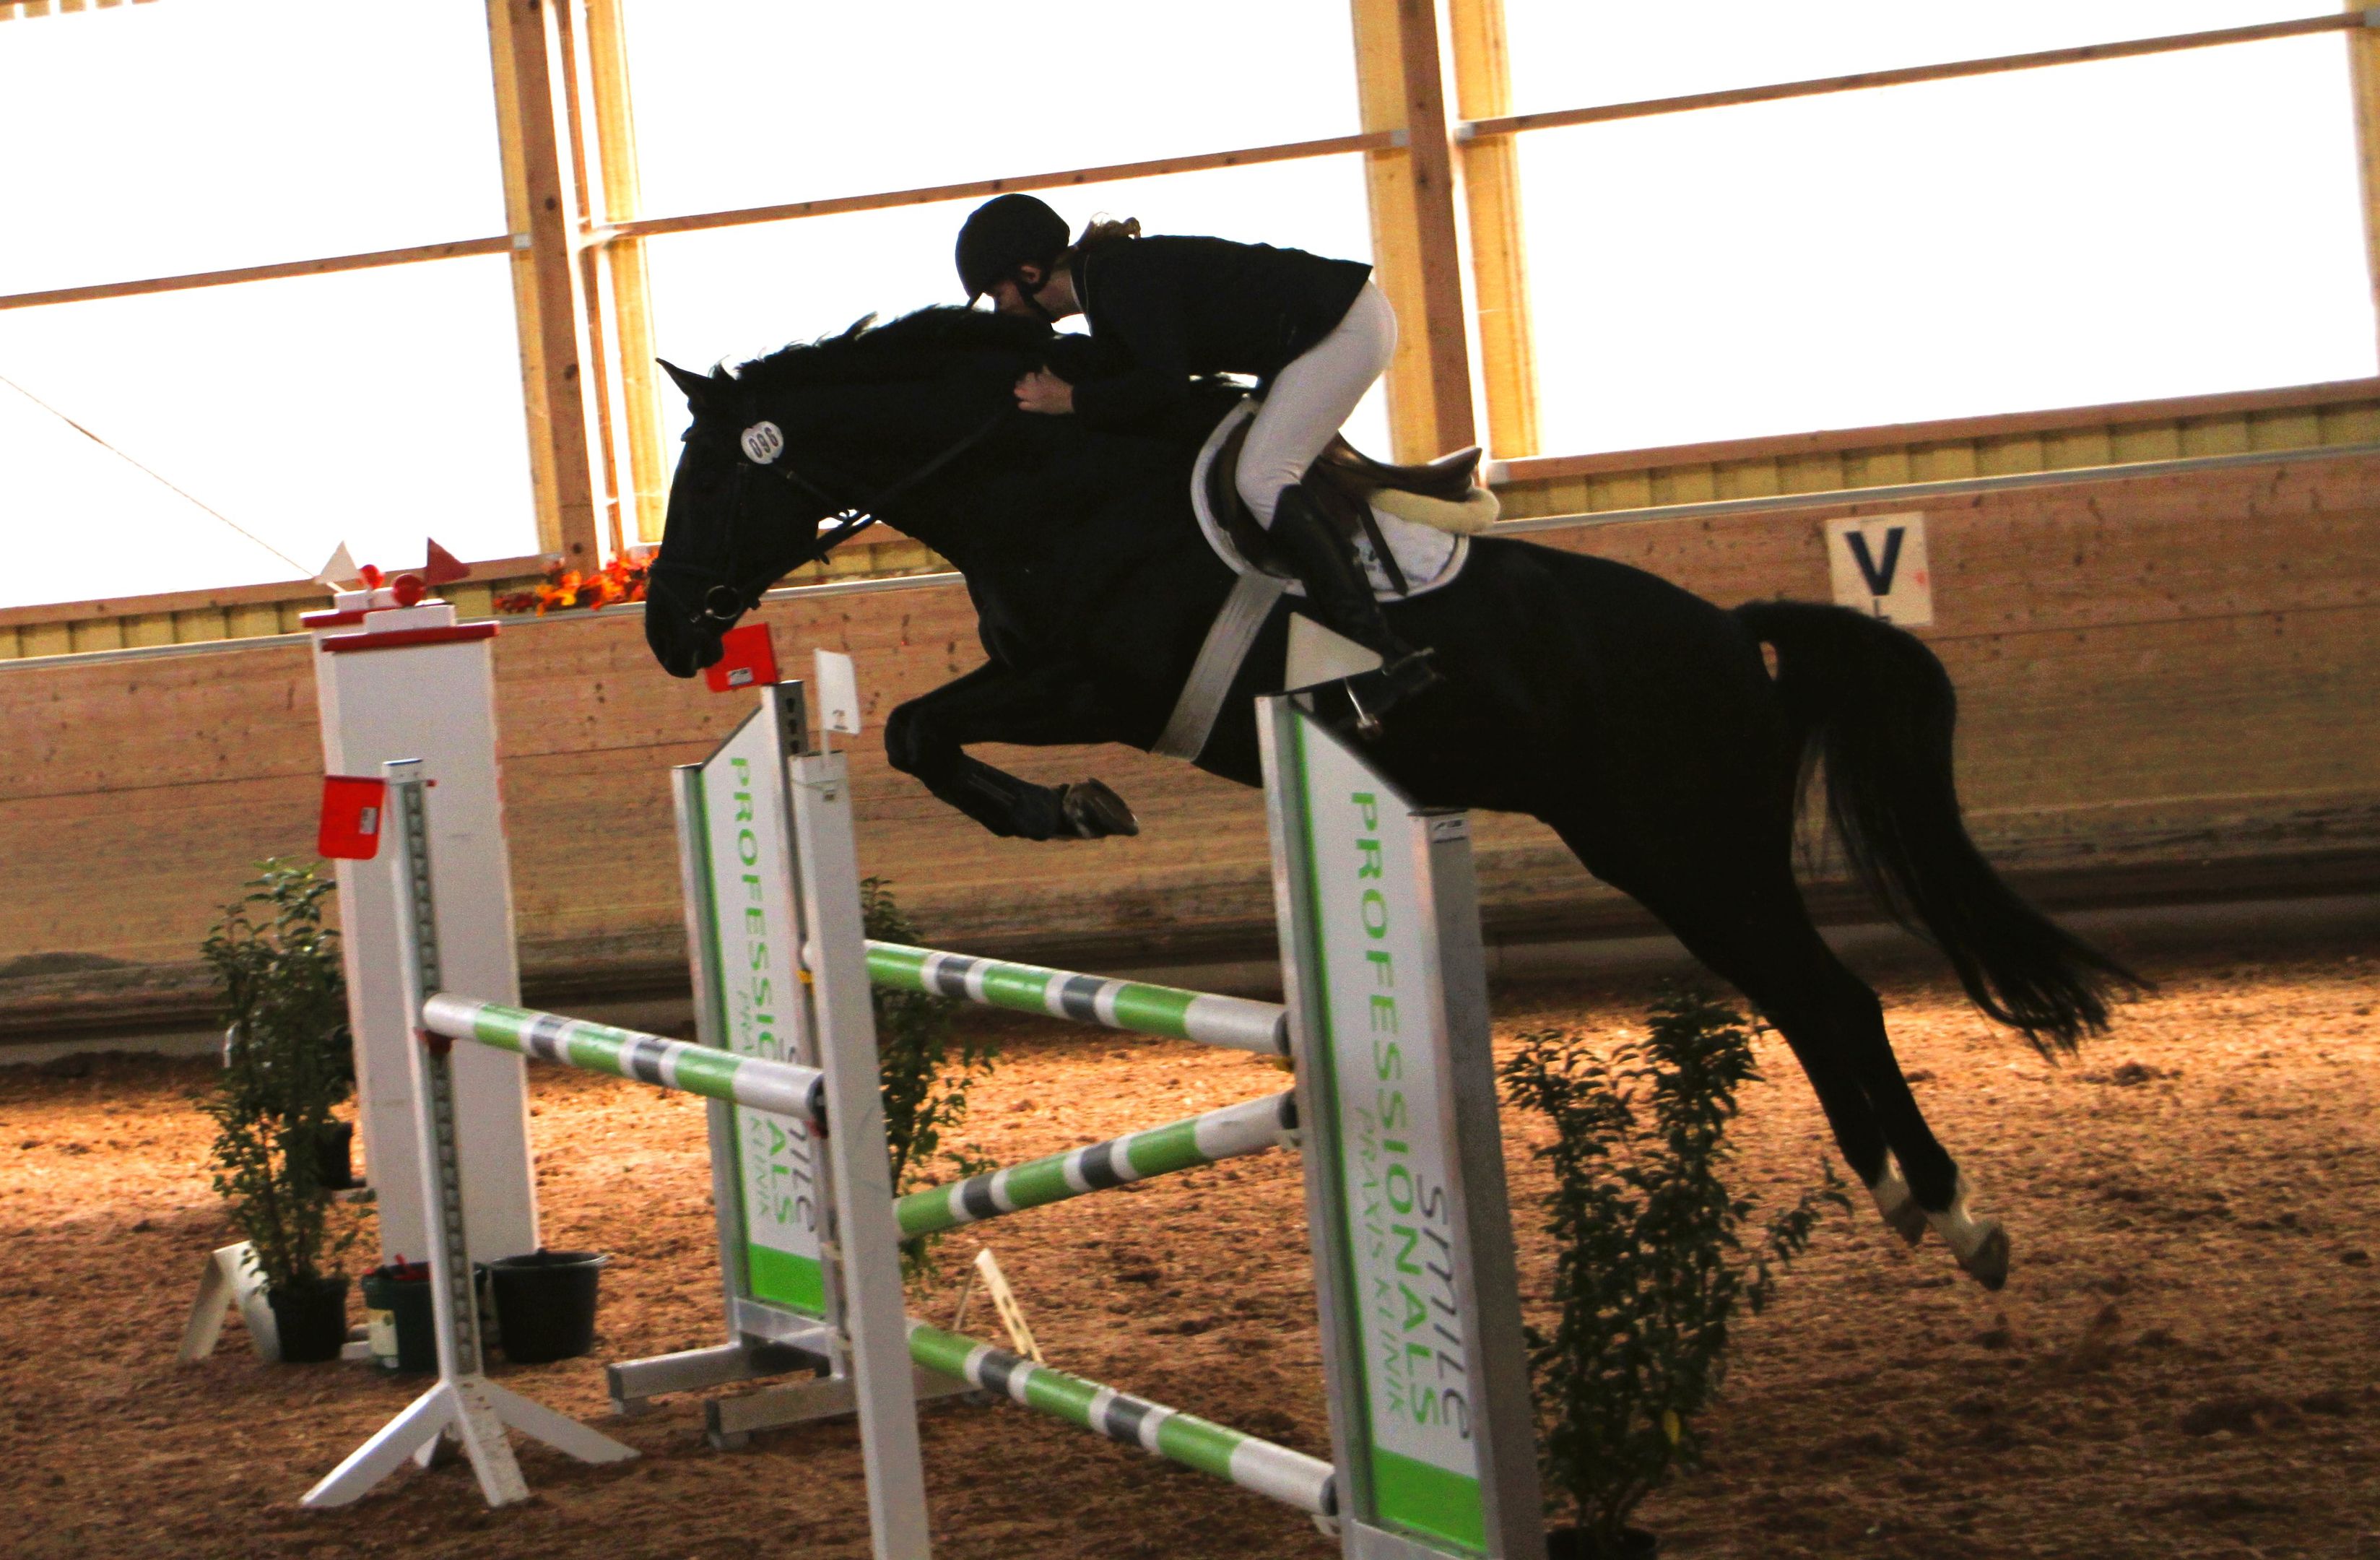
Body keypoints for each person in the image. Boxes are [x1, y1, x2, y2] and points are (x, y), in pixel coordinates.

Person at [953, 194, 1438, 724]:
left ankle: (1384, 655)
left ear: (1029, 273)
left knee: (1262, 477)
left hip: (1343, 329)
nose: (1000, 310)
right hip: (1314, 333)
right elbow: (1126, 372)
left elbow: (1160, 389)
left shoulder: (1120, 280)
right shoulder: (1106, 282)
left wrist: (1068, 400)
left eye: (998, 295)